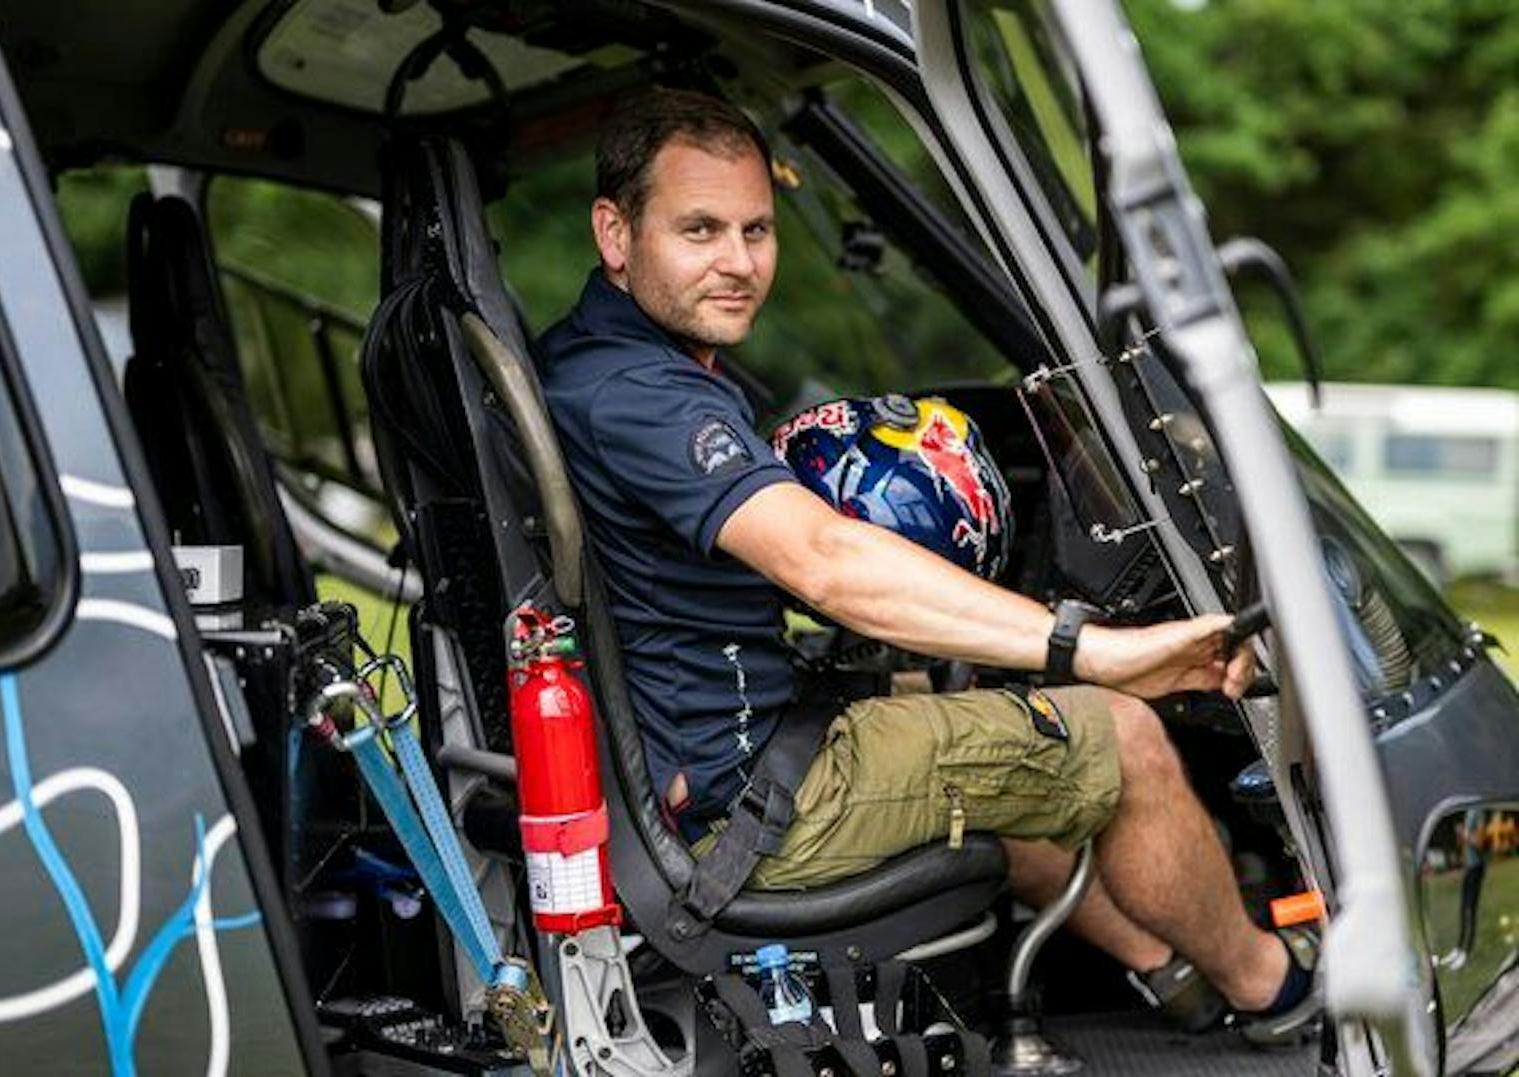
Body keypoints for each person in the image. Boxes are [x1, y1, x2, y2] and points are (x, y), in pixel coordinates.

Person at [536, 87, 1317, 1041]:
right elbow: (822, 559)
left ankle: (1168, 969)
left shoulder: (592, 358)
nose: (739, 263)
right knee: (1123, 737)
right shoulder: (642, 397)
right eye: (699, 230)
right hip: (750, 809)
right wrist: (1095, 650)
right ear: (616, 235)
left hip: (702, 765)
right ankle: (1278, 989)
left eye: (757, 229)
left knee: (994, 744)